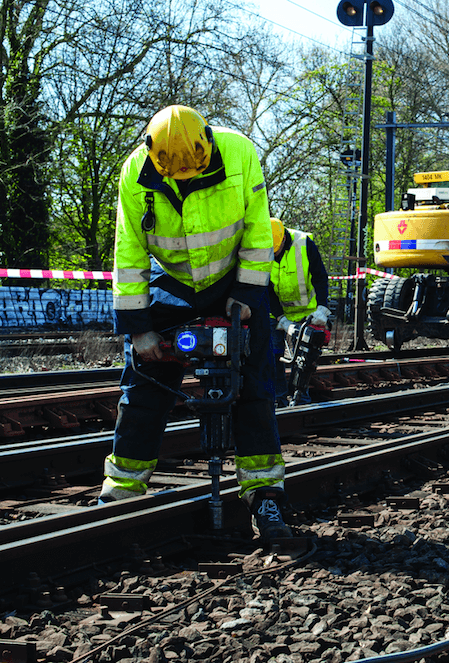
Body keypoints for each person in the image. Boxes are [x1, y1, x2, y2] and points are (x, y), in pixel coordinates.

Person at [99, 105, 292, 540]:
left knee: (253, 387)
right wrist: (139, 328)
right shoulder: (134, 174)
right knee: (143, 386)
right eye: (176, 172)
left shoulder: (239, 153)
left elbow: (258, 230)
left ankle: (265, 497)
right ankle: (121, 492)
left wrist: (247, 296)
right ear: (154, 156)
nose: (185, 176)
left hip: (234, 280)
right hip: (173, 283)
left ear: (208, 141)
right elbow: (129, 252)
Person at [269, 218, 332, 406]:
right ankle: (279, 399)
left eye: (276, 250)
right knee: (272, 355)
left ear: (283, 239)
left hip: (307, 313)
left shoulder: (304, 244)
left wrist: (322, 308)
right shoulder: (261, 249)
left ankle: (301, 399)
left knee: (304, 359)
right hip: (277, 313)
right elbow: (265, 289)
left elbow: (320, 277)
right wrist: (281, 319)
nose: (274, 254)